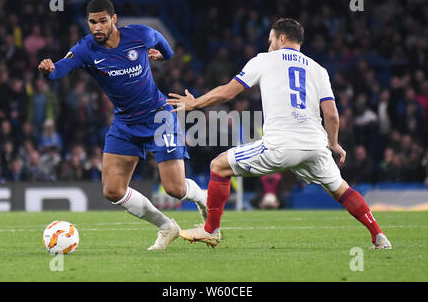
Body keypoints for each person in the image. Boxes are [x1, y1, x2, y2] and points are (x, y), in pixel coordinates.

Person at [167, 18, 391, 250]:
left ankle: (211, 229)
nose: (269, 44)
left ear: (281, 38)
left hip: (280, 145)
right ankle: (379, 236)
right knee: (342, 190)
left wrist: (195, 104)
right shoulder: (318, 69)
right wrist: (333, 143)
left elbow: (227, 92)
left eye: (271, 40)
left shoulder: (264, 60)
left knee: (218, 166)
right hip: (315, 146)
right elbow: (332, 115)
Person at [38, 0, 207, 250]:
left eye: (102, 21)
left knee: (176, 189)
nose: (97, 27)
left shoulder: (140, 35)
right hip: (125, 123)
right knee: (113, 191)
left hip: (159, 117)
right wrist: (48, 70)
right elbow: (59, 70)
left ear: (113, 20)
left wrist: (164, 55)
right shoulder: (86, 49)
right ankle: (166, 226)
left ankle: (204, 198)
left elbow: (164, 44)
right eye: (92, 22)